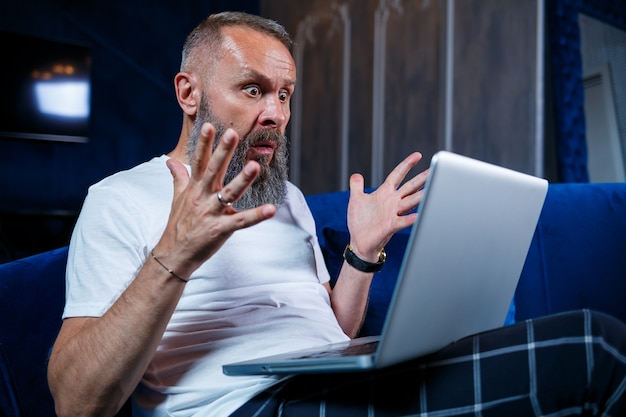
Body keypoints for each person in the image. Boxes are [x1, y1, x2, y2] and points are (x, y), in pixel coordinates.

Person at [47, 11, 626, 417]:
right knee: (596, 347)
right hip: (240, 408)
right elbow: (76, 403)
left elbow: (330, 334)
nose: (276, 112)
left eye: (286, 94)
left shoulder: (287, 198)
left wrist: (361, 253)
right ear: (189, 93)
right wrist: (173, 257)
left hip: (325, 387)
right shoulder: (119, 198)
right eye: (252, 90)